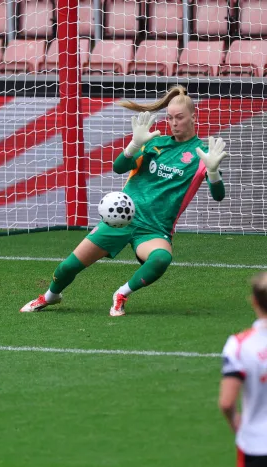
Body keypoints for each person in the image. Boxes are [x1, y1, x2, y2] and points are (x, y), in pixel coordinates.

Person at [20, 85, 229, 316]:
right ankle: (50, 296)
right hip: (121, 219)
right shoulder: (154, 143)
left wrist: (213, 172)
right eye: (169, 117)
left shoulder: (202, 153)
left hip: (154, 229)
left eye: (179, 117)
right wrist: (134, 145)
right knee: (68, 267)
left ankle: (121, 293)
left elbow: (218, 196)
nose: (174, 122)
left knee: (161, 258)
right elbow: (118, 167)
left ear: (193, 116)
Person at [219, 272, 267, 467]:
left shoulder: (239, 345)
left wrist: (236, 424)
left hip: (256, 444)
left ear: (254, 301)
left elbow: (227, 402)